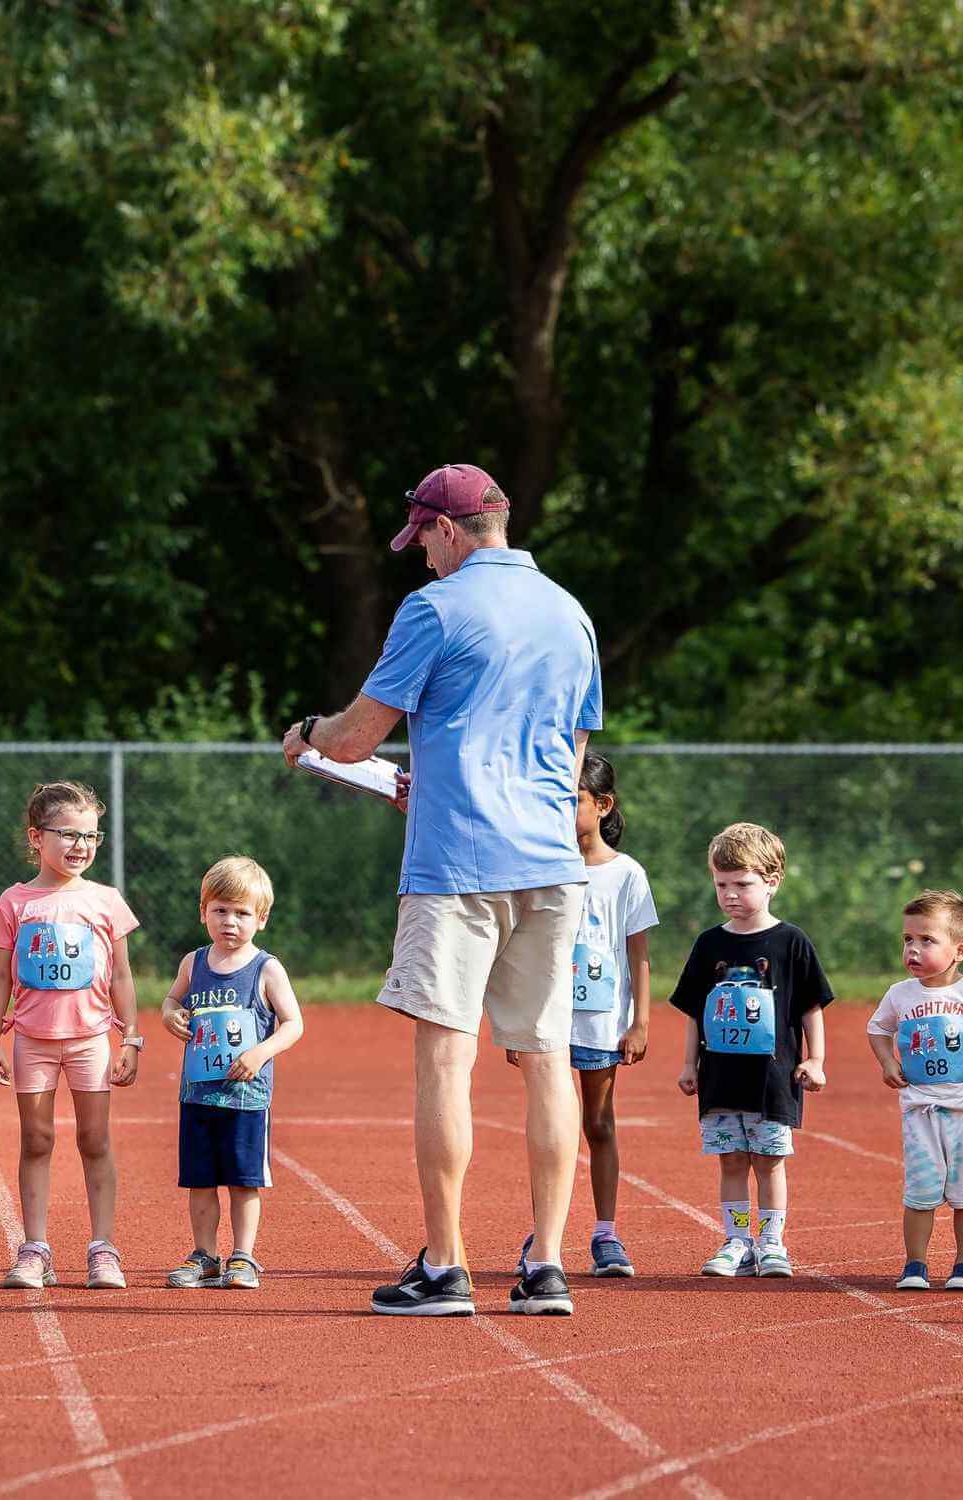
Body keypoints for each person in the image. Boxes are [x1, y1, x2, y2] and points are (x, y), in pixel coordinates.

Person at [281, 462, 602, 1317]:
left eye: (421, 538)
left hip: (458, 866)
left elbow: (353, 739)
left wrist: (306, 734)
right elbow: (566, 756)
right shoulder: (570, 613)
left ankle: (446, 1265)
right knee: (544, 1063)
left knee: (446, 1061)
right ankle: (548, 1267)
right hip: (549, 863)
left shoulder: (435, 608)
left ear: (450, 530)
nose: (419, 556)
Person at [0, 780, 142, 1290]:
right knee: (37, 1139)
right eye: (68, 834)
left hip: (91, 1040)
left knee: (94, 1140)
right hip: (32, 1040)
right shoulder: (15, 901)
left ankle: (103, 1249)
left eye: (91, 837)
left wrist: (131, 1038)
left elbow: (121, 976)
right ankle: (35, 1249)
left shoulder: (106, 900)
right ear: (36, 837)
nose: (80, 846)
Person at [507, 752, 657, 1278]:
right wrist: (518, 1018)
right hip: (546, 1020)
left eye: (571, 801)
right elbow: (523, 949)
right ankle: (544, 1236)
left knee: (597, 1123)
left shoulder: (626, 875)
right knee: (551, 1124)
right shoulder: (540, 866)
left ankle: (605, 1234)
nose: (559, 810)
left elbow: (638, 953)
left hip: (601, 1021)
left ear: (603, 805)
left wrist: (639, 1021)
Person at [671, 822, 830, 1279]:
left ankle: (772, 1243)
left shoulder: (791, 942)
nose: (731, 894)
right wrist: (688, 1064)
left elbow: (810, 1007)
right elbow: (695, 1012)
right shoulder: (709, 944)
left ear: (772, 881)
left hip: (772, 1078)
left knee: (769, 1161)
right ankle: (737, 1240)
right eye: (722, 884)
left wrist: (815, 1059)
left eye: (743, 884)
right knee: (732, 1160)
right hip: (721, 1076)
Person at [867, 889, 963, 1292]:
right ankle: (915, 1264)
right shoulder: (900, 994)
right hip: (921, 1110)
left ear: (960, 950)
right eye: (908, 940)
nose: (913, 949)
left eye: (927, 940)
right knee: (920, 1191)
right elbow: (878, 1029)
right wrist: (887, 1062)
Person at [161, 856, 303, 1290]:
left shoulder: (266, 968)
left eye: (242, 913)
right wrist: (171, 1015)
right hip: (198, 1096)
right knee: (200, 1181)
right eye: (220, 910)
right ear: (203, 911)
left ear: (260, 919)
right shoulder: (194, 962)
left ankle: (243, 1257)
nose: (230, 922)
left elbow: (293, 1023)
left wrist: (260, 1054)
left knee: (244, 1182)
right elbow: (171, 1001)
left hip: (246, 1098)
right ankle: (204, 1256)